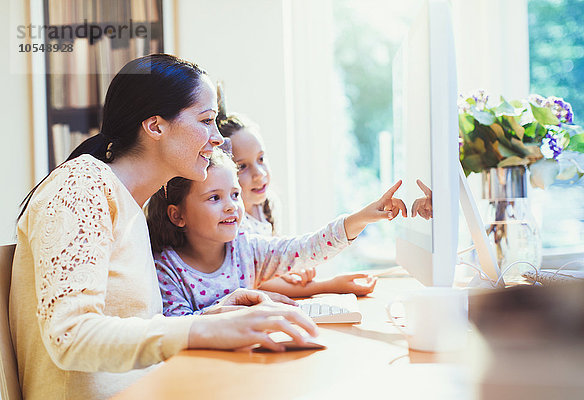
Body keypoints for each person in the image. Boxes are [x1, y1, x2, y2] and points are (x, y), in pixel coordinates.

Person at [9, 54, 317, 400]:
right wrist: (200, 328)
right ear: (155, 126)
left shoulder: (129, 204)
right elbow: (70, 335)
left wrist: (212, 317)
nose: (218, 139)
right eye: (206, 121)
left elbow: (133, 326)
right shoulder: (81, 186)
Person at [147, 147, 407, 316]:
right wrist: (239, 305)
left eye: (235, 195)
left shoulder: (247, 249)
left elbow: (307, 248)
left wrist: (361, 218)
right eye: (214, 198)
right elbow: (178, 327)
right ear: (177, 215)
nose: (231, 207)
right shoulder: (166, 268)